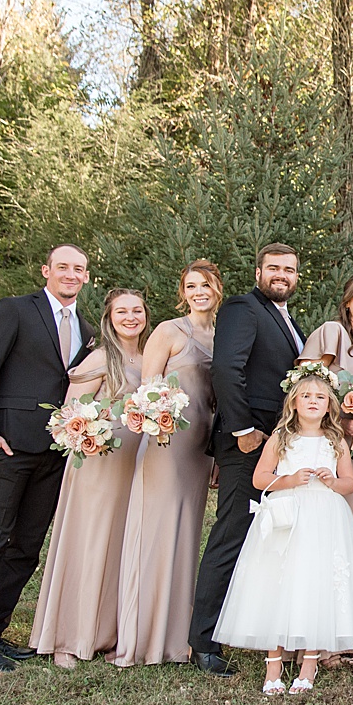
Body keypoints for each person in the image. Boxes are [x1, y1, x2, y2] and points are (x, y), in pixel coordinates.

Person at [0, 244, 98, 673]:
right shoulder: (15, 310)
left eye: (79, 269)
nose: (70, 274)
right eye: (63, 267)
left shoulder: (88, 329)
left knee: (26, 545)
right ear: (46, 270)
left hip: (57, 450)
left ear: (87, 277)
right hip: (8, 444)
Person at [214, 366, 353, 694]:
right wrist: (288, 480)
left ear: (330, 405)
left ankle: (309, 663)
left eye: (320, 397)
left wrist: (332, 482)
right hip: (287, 515)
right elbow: (260, 479)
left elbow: (350, 483)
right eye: (306, 396)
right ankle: (273, 668)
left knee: (316, 584)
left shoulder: (336, 440)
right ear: (294, 404)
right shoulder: (280, 438)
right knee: (279, 582)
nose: (313, 402)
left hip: (325, 518)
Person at [190, 244, 305, 676]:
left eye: (289, 270)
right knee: (232, 534)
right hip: (248, 441)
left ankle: (245, 628)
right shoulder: (244, 307)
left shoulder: (289, 321)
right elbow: (226, 368)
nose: (281, 275)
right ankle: (202, 642)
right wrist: (241, 430)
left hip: (278, 443)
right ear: (259, 272)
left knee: (265, 537)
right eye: (273, 268)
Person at [29, 289, 150, 667]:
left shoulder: (149, 359)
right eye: (122, 312)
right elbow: (65, 417)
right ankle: (68, 637)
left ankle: (110, 633)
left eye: (137, 310)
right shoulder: (101, 358)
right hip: (98, 467)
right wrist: (93, 434)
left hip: (136, 467)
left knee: (120, 548)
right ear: (109, 317)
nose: (130, 317)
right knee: (89, 545)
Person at [112, 260, 221, 667]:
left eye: (206, 285)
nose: (199, 292)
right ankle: (142, 639)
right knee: (155, 534)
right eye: (191, 285)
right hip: (165, 441)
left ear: (217, 289)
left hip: (201, 446)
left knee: (186, 535)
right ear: (183, 291)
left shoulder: (221, 335)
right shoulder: (168, 331)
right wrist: (159, 421)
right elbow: (146, 390)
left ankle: (177, 637)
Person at [301, 272, 353, 636]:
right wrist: (340, 422)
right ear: (348, 301)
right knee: (328, 532)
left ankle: (346, 627)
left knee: (352, 532)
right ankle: (316, 628)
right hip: (332, 445)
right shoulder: (332, 332)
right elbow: (307, 387)